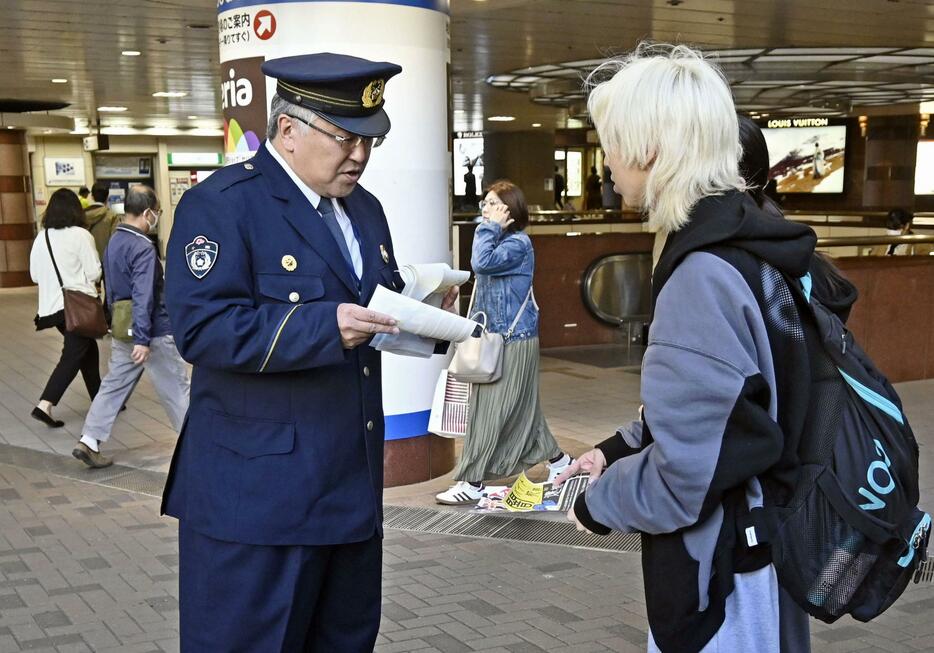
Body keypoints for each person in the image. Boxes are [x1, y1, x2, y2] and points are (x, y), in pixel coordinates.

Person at [162, 53, 455, 652]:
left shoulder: (364, 210)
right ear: (288, 130)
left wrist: (422, 312)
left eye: (370, 140)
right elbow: (202, 328)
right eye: (345, 138)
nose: (360, 155)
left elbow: (369, 301)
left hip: (348, 491)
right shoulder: (222, 205)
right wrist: (324, 327)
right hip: (258, 505)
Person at [554, 44, 814, 652]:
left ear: (647, 148)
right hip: (768, 557)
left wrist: (598, 504)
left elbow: (684, 480)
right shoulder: (759, 249)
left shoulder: (700, 275)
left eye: (611, 142)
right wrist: (619, 448)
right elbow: (730, 411)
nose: (607, 162)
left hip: (723, 581)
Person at [436, 180, 572, 505]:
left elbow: (481, 262)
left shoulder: (519, 244)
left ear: (510, 211)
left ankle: (473, 482)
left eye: (493, 204)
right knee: (522, 410)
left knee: (490, 411)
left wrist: (487, 228)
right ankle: (560, 462)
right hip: (496, 341)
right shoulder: (501, 241)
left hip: (514, 341)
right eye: (485, 202)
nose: (485, 208)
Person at [72, 185, 190, 469]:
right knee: (177, 389)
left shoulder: (115, 240)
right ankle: (198, 445)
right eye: (157, 212)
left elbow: (111, 289)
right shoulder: (142, 247)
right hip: (152, 332)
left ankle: (89, 439)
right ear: (148, 212)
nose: (157, 217)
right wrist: (142, 338)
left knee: (113, 385)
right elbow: (143, 294)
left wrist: (121, 326)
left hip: (123, 328)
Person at [28, 188, 102, 428]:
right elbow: (94, 272)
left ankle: (101, 400)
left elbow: (35, 276)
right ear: (75, 210)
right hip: (77, 306)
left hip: (53, 310)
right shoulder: (81, 235)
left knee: (86, 350)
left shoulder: (43, 237)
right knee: (73, 354)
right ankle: (45, 405)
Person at [869, 208, 934, 257]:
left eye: (896, 229)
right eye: (890, 229)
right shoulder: (880, 243)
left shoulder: (920, 244)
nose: (892, 232)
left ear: (906, 226)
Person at [84, 181, 119, 263]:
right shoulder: (112, 216)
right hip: (106, 262)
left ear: (92, 196)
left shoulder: (81, 216)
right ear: (107, 197)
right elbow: (115, 242)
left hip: (87, 262)